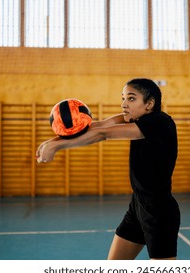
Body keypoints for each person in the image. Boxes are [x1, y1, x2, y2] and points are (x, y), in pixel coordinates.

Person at [36, 78, 180, 260]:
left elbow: (104, 134)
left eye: (131, 98)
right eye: (123, 98)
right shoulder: (134, 119)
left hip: (158, 210)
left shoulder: (159, 122)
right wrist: (52, 141)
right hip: (137, 206)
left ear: (149, 104)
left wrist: (56, 147)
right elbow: (98, 126)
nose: (124, 104)